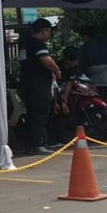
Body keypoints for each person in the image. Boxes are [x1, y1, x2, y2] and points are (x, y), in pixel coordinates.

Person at [18, 18, 62, 156]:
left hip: (27, 83)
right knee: (39, 114)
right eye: (49, 31)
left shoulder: (25, 43)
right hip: (38, 85)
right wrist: (57, 70)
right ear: (44, 30)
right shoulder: (37, 44)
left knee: (33, 114)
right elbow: (47, 61)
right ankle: (35, 144)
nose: (49, 34)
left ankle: (36, 142)